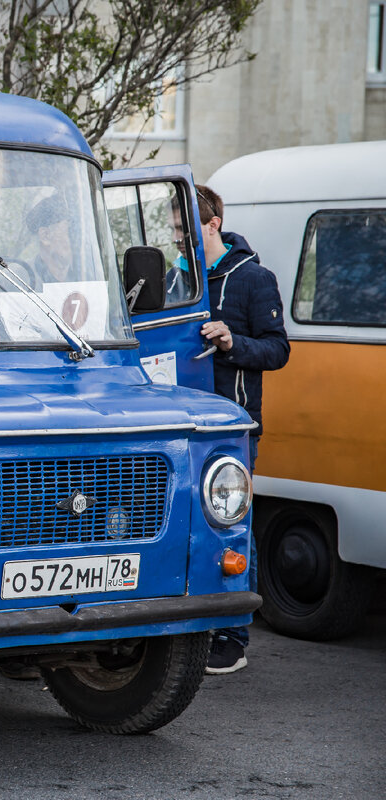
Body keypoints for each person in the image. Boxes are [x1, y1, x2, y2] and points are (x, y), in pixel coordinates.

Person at [193, 184, 291, 674]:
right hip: (180, 424)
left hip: (235, 424)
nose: (178, 237)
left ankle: (232, 636)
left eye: (184, 226)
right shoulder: (175, 280)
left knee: (230, 522)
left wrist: (233, 341)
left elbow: (278, 350)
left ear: (212, 224)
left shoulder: (254, 278)